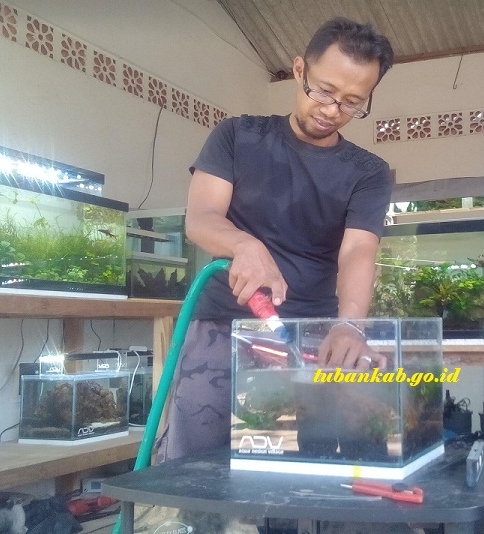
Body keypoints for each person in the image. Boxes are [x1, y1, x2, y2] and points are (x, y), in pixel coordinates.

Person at [158, 17, 394, 462]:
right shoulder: (237, 136)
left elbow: (358, 250)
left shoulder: (368, 172)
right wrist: (245, 245)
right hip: (223, 322)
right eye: (323, 91)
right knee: (194, 458)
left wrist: (350, 325)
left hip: (315, 331)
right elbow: (202, 218)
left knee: (323, 456)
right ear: (300, 69)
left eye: (351, 102)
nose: (331, 110)